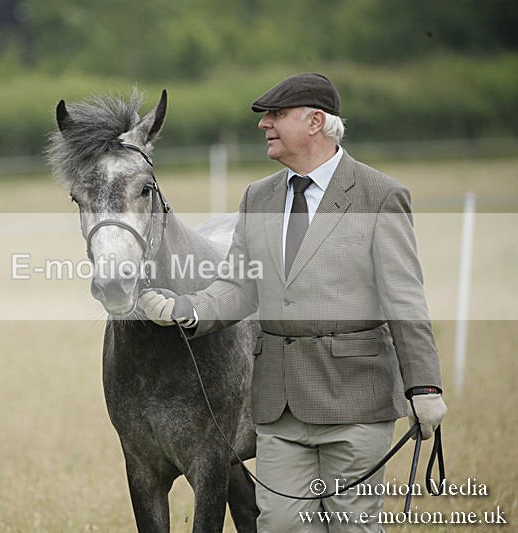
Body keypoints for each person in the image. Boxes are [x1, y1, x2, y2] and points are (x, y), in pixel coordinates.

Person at [138, 72, 447, 531]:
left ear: (316, 122)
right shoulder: (258, 197)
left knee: (350, 526)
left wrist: (424, 387)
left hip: (356, 403)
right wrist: (188, 310)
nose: (265, 125)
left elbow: (405, 300)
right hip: (280, 409)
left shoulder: (379, 195)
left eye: (277, 116)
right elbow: (240, 286)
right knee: (280, 525)